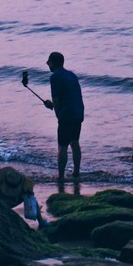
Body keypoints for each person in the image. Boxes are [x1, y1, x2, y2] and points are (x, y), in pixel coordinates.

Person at [43, 52, 84, 193]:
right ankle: (76, 172)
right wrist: (55, 105)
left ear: (53, 63)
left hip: (67, 114)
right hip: (78, 112)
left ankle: (60, 176)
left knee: (62, 146)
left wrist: (57, 114)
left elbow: (57, 99)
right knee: (75, 142)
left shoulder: (55, 77)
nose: (47, 64)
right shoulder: (71, 75)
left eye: (48, 62)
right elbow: (70, 96)